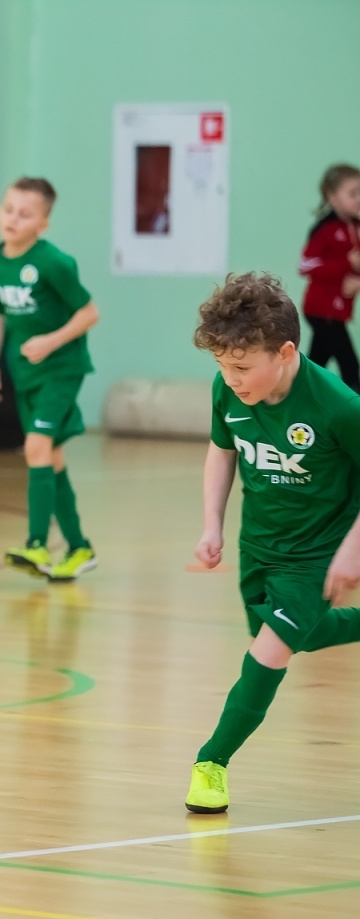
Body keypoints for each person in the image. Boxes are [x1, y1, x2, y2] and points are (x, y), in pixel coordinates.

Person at [186, 272, 360, 814]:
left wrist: (353, 549)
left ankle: (211, 762)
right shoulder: (228, 390)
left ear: (285, 352)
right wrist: (211, 524)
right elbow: (222, 450)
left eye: (241, 367)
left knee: (269, 652)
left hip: (317, 553)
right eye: (221, 366)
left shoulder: (337, 405)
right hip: (259, 546)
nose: (229, 378)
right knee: (294, 636)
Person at [0, 177, 101, 582]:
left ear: (43, 224)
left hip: (62, 370)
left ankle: (35, 544)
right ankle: (79, 547)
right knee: (51, 458)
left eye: (25, 213)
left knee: (35, 448)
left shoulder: (54, 263)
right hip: (25, 373)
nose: (13, 218)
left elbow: (88, 313)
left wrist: (51, 341)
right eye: (8, 209)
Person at [297, 163, 360, 392]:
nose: (359, 199)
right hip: (321, 310)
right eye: (353, 193)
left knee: (316, 363)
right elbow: (305, 265)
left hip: (339, 311)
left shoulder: (355, 228)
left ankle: (298, 399)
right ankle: (355, 414)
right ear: (332, 197)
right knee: (349, 364)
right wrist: (346, 264)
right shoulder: (325, 229)